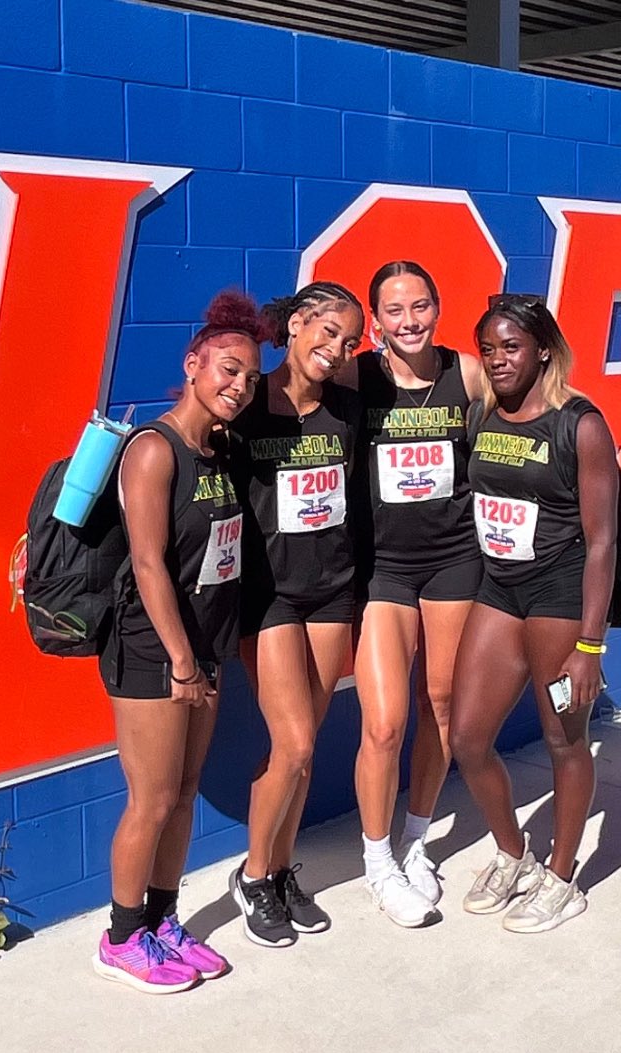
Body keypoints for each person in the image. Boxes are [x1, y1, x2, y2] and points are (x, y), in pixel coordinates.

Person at [93, 290, 266, 992]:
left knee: (187, 790)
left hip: (204, 649)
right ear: (193, 364)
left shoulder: (219, 450)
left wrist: (206, 656)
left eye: (250, 378)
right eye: (228, 369)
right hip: (155, 651)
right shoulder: (154, 449)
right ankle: (121, 935)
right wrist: (183, 661)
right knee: (154, 797)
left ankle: (163, 921)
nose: (238, 386)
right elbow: (147, 563)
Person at [448, 293, 619, 933]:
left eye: (510, 347)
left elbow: (602, 540)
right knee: (467, 736)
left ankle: (563, 877)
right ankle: (513, 854)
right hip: (500, 592)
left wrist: (590, 646)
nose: (496, 360)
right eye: (488, 349)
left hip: (559, 597)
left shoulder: (580, 424)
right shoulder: (483, 414)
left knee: (562, 739)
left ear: (543, 348)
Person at [337, 260, 484, 928]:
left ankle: (416, 839)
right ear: (376, 321)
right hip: (384, 572)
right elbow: (290, 397)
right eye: (394, 310)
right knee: (385, 721)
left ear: (438, 306)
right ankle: (377, 862)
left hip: (454, 560)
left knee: (445, 705)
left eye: (420, 305)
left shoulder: (467, 374)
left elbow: (517, 434)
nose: (409, 321)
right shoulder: (358, 376)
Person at [227, 281, 365, 948]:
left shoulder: (347, 410)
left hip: (332, 591)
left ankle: (282, 870)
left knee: (303, 753)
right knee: (297, 743)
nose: (336, 349)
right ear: (299, 324)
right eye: (327, 331)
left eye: (348, 341)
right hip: (269, 596)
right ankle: (254, 875)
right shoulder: (249, 403)